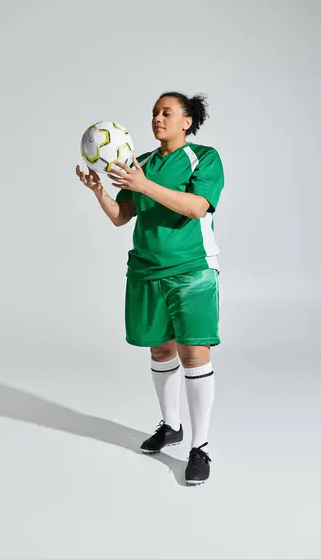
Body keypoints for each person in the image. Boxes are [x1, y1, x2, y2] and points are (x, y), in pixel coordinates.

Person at [76, 92, 224, 485]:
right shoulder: (138, 163)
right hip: (146, 269)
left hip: (192, 269)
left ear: (187, 122)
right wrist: (99, 191)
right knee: (160, 349)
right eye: (155, 113)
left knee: (194, 354)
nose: (157, 118)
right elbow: (122, 216)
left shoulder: (204, 158)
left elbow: (196, 207)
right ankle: (171, 427)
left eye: (167, 113)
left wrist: (144, 185)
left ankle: (200, 447)